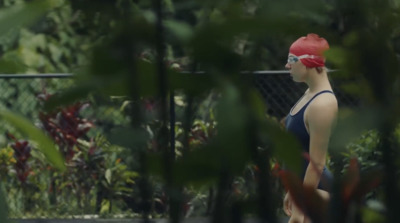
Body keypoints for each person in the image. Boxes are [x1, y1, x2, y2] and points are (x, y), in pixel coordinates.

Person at [282, 33, 338, 223]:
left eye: (292, 60)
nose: (287, 65)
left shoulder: (322, 104)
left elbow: (317, 163)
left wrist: (301, 206)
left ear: (309, 62)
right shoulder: (310, 93)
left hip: (318, 194)